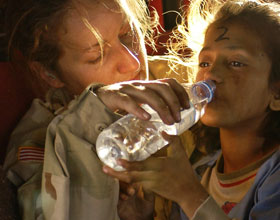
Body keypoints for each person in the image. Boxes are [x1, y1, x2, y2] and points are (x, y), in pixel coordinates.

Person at [102, 0, 280, 219]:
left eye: (235, 63)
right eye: (205, 62)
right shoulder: (202, 169)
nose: (211, 75)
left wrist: (190, 196)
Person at [2, 0, 192, 219]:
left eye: (128, 35)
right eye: (97, 56)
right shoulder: (39, 142)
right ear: (49, 74)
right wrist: (91, 118)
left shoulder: (186, 78)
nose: (133, 63)